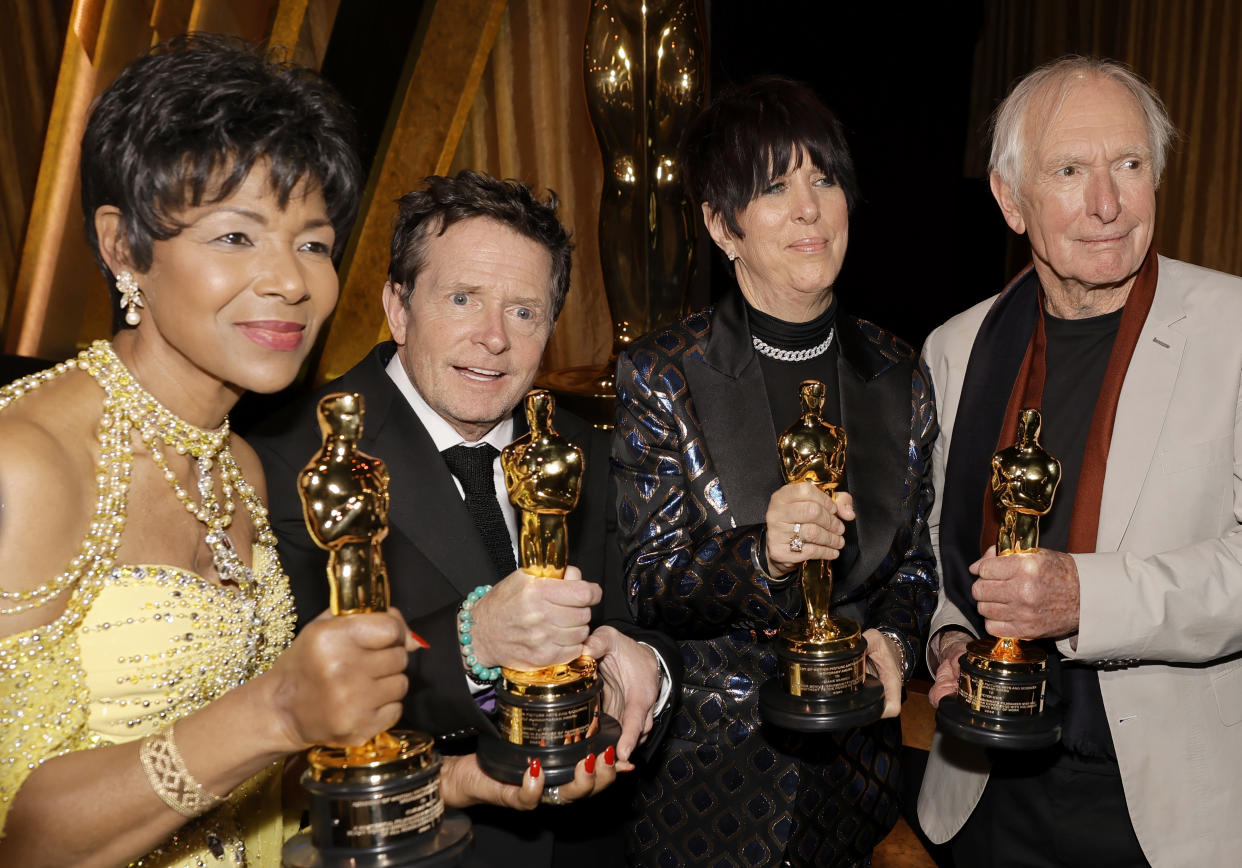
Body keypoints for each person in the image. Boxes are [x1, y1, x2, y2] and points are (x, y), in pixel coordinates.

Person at [0, 34, 410, 867]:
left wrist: (460, 780)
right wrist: (280, 712)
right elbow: (21, 841)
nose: (291, 281)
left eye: (314, 242)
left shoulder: (242, 464)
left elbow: (247, 791)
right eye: (235, 237)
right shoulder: (28, 460)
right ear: (124, 248)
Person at [249, 169, 679, 867]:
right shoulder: (292, 458)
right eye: (462, 298)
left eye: (524, 311)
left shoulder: (587, 446)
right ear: (398, 306)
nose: (494, 339)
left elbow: (645, 615)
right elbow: (286, 699)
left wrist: (644, 664)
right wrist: (475, 640)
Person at [917, 56, 1242, 867]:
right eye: (1070, 170)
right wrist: (951, 645)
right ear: (1009, 199)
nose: (1108, 203)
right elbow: (930, 554)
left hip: (1162, 812)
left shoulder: (1234, 333)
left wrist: (1084, 598)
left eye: (1129, 165)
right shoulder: (956, 350)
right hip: (986, 793)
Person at [613, 76, 938, 867]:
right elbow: (649, 580)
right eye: (773, 187)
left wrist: (894, 639)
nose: (808, 209)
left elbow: (917, 562)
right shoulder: (664, 373)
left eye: (823, 179)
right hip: (706, 790)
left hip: (857, 788)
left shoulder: (897, 369)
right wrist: (762, 556)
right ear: (723, 227)